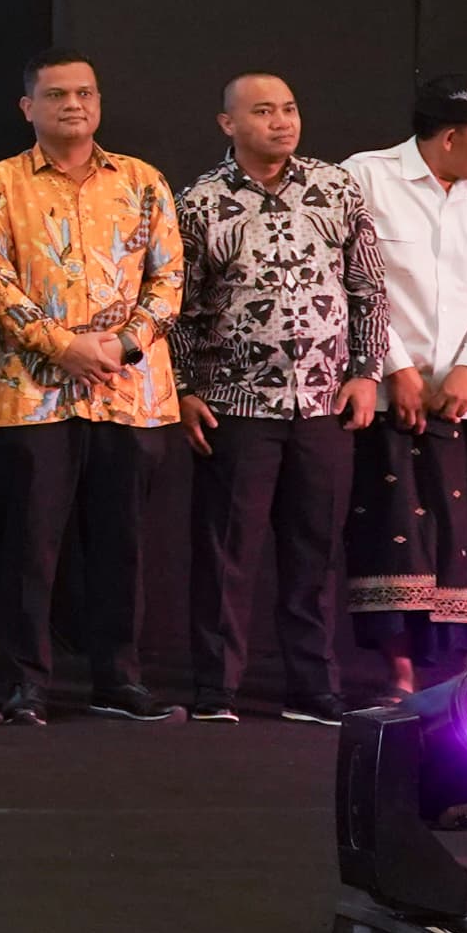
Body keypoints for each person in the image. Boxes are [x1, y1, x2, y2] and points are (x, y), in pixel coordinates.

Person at [0, 51, 185, 725]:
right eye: (57, 94)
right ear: (27, 106)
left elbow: (169, 279)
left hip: (131, 388)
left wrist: (120, 344)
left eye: (85, 93)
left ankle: (118, 679)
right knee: (32, 543)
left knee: (123, 542)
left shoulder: (143, 181)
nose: (74, 105)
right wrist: (66, 347)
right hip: (33, 390)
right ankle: (26, 682)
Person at [172, 71, 385, 725]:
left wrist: (366, 370)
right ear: (227, 123)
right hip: (235, 403)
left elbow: (367, 287)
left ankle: (312, 689)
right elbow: (176, 308)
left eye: (289, 108)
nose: (281, 121)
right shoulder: (198, 202)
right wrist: (182, 389)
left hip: (323, 402)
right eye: (263, 111)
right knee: (227, 554)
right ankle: (216, 689)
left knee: (313, 552)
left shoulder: (335, 187)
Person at [344, 75, 467, 692]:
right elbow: (357, 279)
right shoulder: (367, 177)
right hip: (389, 392)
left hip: (465, 399)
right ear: (450, 136)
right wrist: (394, 365)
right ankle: (397, 672)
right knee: (394, 528)